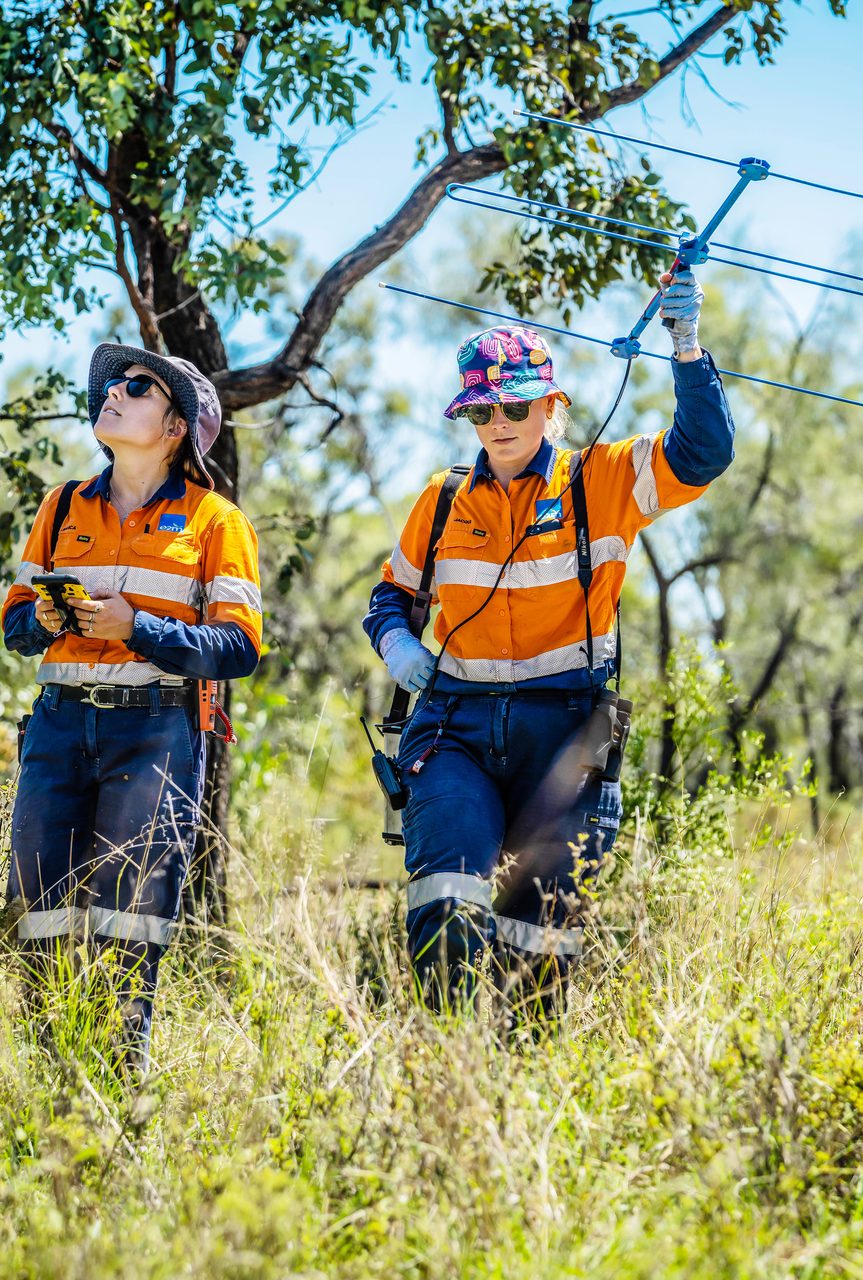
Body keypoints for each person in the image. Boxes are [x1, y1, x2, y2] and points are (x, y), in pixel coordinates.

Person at [363, 270, 732, 1027]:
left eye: (516, 406)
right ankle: (446, 1066)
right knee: (446, 895)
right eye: (482, 411)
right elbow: (390, 597)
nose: (499, 423)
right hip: (454, 728)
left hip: (566, 730)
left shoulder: (603, 480)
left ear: (552, 407)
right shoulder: (441, 499)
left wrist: (686, 346)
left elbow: (703, 453)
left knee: (541, 932)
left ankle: (521, 1077)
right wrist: (398, 642)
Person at [0, 342, 262, 1071]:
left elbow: (239, 648)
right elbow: (15, 623)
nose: (114, 392)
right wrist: (45, 621)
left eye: (138, 387)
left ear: (176, 427)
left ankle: (121, 1085)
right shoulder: (62, 506)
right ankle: (50, 1074)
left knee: (130, 917)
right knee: (39, 903)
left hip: (155, 731)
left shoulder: (217, 521)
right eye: (112, 385)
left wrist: (137, 629)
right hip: (56, 723)